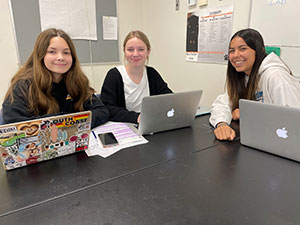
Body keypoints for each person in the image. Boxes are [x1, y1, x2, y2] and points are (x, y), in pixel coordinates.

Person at [2, 28, 109, 128]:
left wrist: (71, 123)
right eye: (52, 52)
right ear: (41, 55)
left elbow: (101, 111)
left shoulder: (77, 81)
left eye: (66, 52)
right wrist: (70, 120)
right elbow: (15, 124)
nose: (61, 57)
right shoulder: (23, 85)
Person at [210, 28, 300, 141]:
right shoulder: (243, 75)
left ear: (258, 50)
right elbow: (222, 104)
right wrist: (221, 124)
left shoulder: (276, 77)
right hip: (257, 139)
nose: (235, 55)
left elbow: (293, 121)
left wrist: (247, 114)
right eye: (231, 51)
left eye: (243, 49)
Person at [100, 30, 172, 123]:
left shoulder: (151, 73)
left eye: (141, 49)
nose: (135, 54)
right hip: (126, 126)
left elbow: (168, 98)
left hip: (149, 124)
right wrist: (136, 117)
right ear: (124, 51)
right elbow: (108, 108)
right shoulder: (114, 75)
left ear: (148, 51)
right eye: (130, 50)